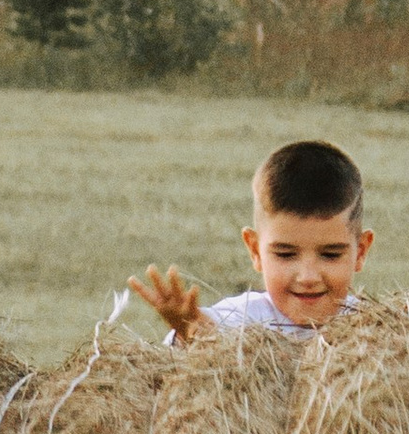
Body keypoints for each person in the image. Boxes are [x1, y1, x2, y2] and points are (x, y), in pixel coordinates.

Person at [128, 137, 375, 344]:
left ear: (361, 251)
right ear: (255, 250)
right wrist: (192, 329)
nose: (308, 277)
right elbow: (208, 339)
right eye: (286, 254)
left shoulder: (375, 326)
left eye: (330, 255)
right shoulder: (243, 319)